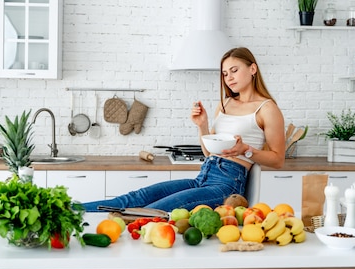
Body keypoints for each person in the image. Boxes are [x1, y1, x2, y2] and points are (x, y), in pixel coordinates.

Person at [81, 47, 285, 212]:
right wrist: (202, 125)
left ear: (253, 69)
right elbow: (209, 152)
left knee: (151, 211)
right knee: (136, 198)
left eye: (234, 70)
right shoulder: (225, 104)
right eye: (224, 73)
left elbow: (278, 159)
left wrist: (245, 150)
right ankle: (69, 210)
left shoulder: (267, 109)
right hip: (205, 174)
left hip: (228, 184)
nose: (228, 78)